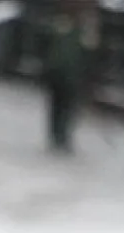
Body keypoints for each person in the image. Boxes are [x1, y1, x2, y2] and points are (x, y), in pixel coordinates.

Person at [40, 1, 96, 153]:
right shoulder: (62, 24)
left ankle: (61, 135)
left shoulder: (82, 27)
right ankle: (58, 135)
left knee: (65, 106)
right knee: (59, 105)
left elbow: (89, 52)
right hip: (61, 72)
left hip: (70, 73)